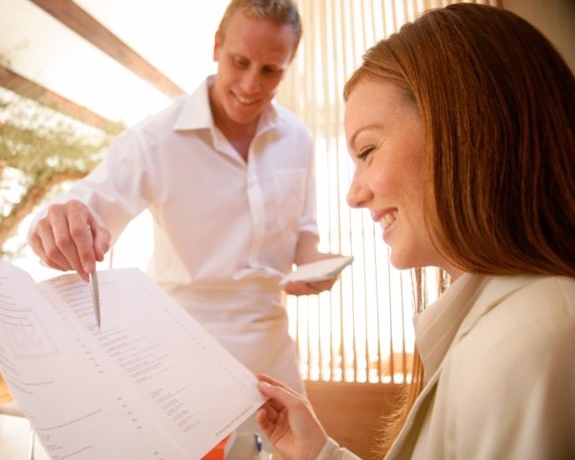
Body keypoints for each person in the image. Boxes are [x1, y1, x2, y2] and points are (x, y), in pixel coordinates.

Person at [256, 3, 575, 459]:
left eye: (367, 151)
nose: (354, 194)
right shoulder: (498, 328)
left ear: (465, 127)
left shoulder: (531, 342)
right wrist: (318, 453)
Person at [28, 0, 340, 431]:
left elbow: (304, 232)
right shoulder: (155, 139)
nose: (251, 84)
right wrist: (61, 222)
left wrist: (315, 263)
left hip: (273, 354)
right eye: (239, 62)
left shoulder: (298, 139)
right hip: (180, 354)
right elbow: (88, 207)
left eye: (271, 71)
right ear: (216, 46)